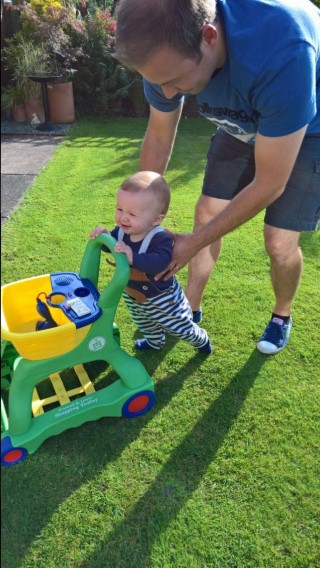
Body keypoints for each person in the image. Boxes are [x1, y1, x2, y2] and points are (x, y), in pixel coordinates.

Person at [114, 0, 320, 355]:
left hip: (305, 131)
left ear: (209, 36)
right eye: (154, 81)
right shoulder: (162, 56)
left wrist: (193, 242)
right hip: (238, 123)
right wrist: (137, 213)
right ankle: (189, 308)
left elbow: (270, 182)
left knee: (279, 241)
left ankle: (281, 314)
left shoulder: (284, 47)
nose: (165, 93)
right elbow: (160, 137)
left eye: (174, 80)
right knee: (206, 212)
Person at [89, 171, 212, 354]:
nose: (123, 217)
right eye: (120, 209)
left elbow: (160, 263)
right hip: (133, 293)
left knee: (178, 327)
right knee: (143, 321)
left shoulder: (159, 239)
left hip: (162, 297)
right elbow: (112, 247)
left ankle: (200, 339)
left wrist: (133, 257)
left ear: (156, 219)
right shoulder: (121, 231)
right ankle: (154, 341)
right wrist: (104, 236)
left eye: (132, 213)